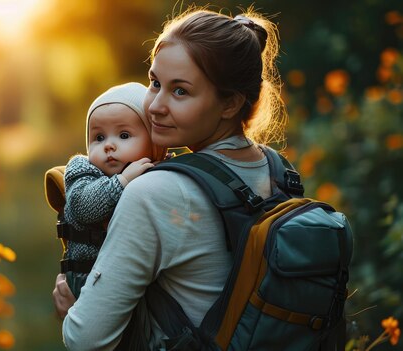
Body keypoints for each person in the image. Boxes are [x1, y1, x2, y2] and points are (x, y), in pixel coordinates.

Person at [52, 6, 287, 350]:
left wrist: (73, 312)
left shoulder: (153, 191)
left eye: (180, 91)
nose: (155, 106)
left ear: (230, 104)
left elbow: (87, 339)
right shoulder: (279, 170)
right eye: (155, 83)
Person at [61, 82, 166, 299]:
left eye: (124, 135)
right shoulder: (82, 170)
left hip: (134, 277)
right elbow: (84, 207)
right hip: (88, 278)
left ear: (154, 143)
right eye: (99, 138)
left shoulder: (161, 171)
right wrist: (122, 181)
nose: (109, 145)